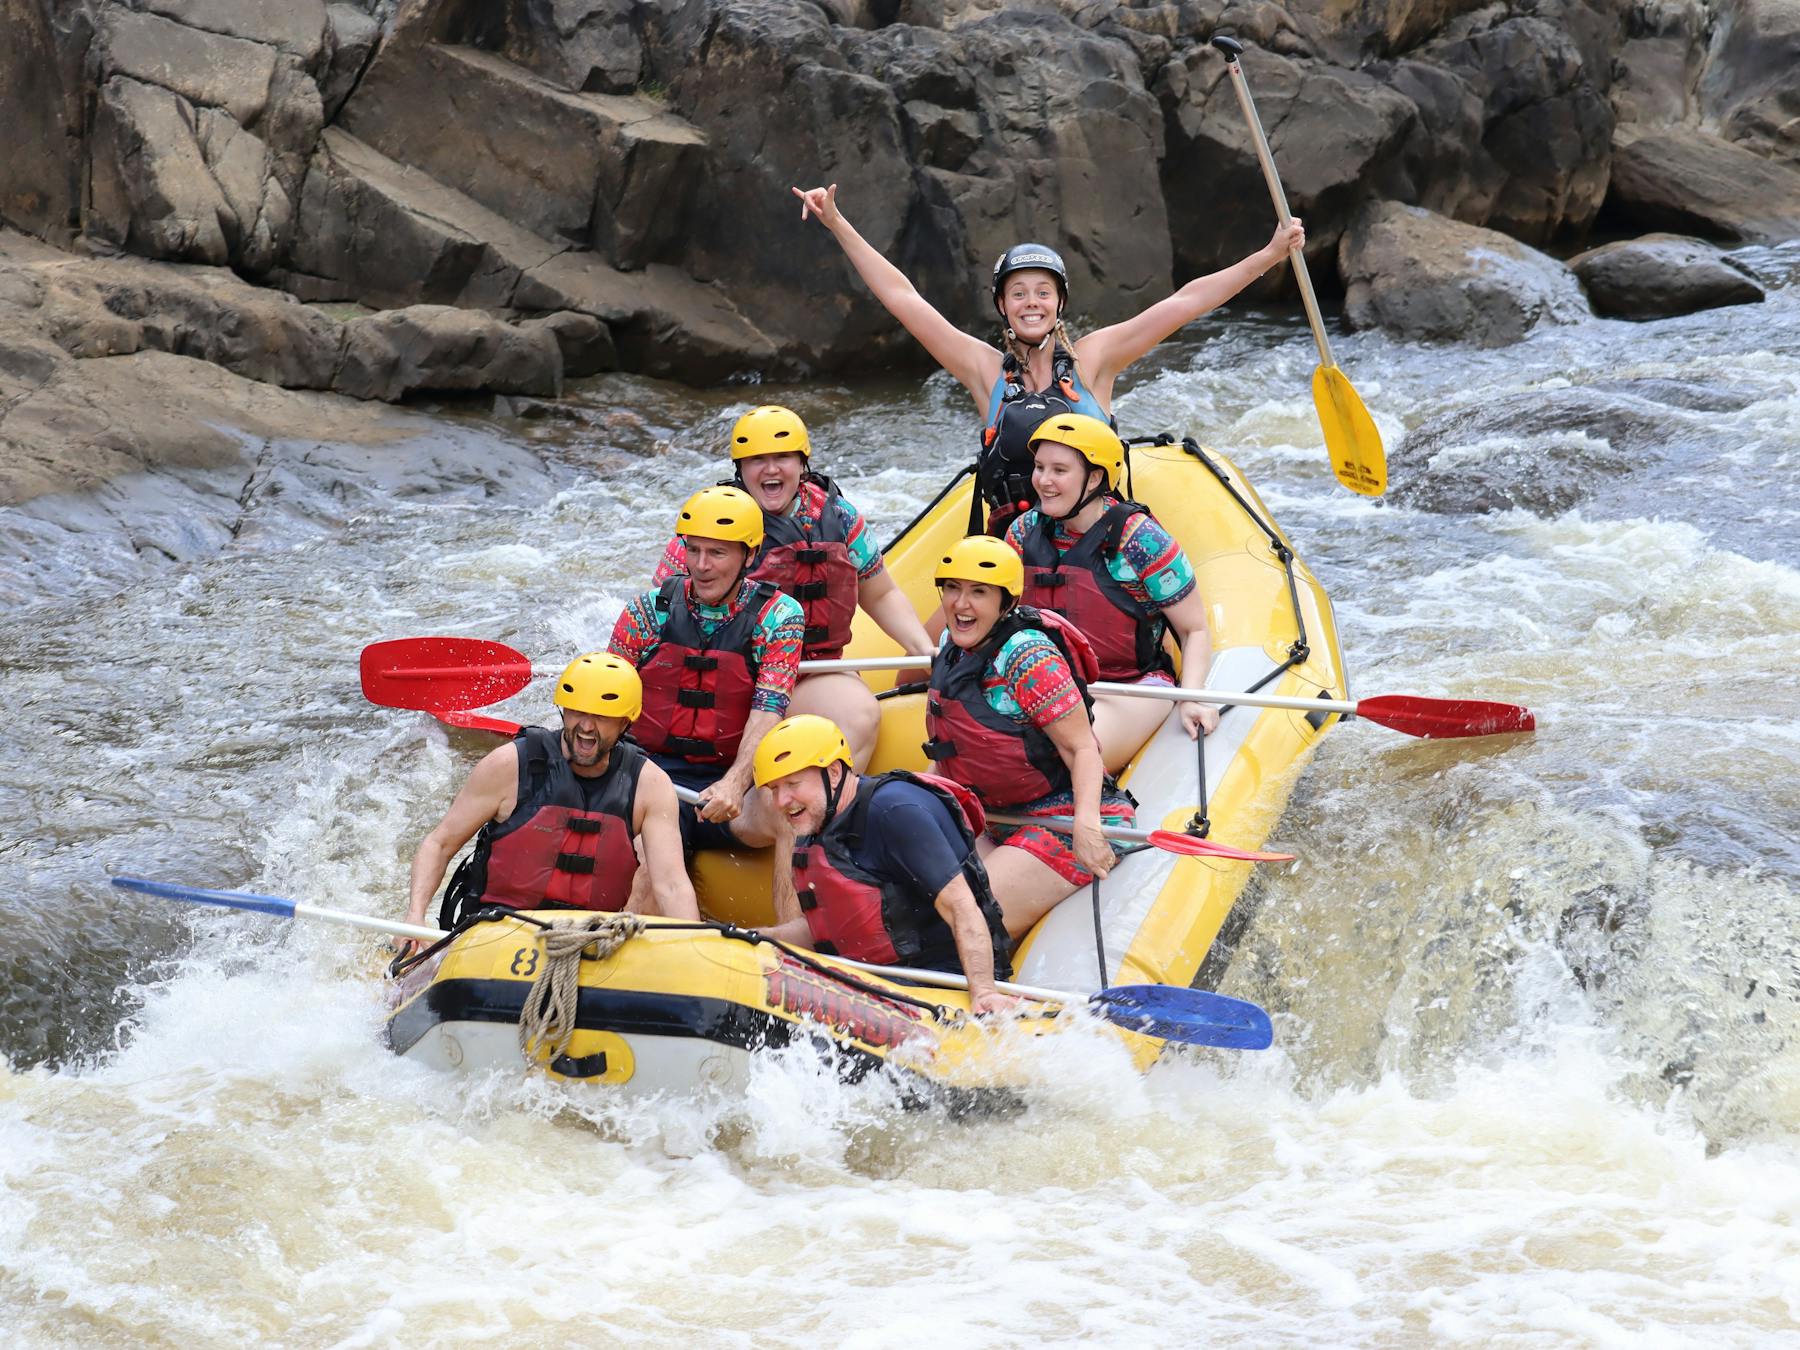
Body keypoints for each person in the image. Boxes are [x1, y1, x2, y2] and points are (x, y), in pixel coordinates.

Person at [791, 182, 1306, 532]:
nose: (1031, 303)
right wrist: (838, 224)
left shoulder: (1095, 360)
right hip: (1013, 551)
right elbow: (903, 299)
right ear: (1002, 305)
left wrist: (1269, 255)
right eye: (1018, 293)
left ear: (1059, 302)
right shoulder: (983, 370)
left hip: (1093, 542)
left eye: (1042, 292)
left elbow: (1184, 303)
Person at [651, 405, 935, 768]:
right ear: (740, 470)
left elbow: (881, 593)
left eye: (783, 457)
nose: (771, 469)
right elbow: (659, 611)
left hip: (810, 671)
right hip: (734, 675)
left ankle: (826, 815)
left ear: (802, 464)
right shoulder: (710, 523)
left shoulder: (840, 518)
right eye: (757, 460)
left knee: (859, 714)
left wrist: (923, 650)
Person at [400, 653, 697, 951]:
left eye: (602, 716)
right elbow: (439, 844)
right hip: (497, 933)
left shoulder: (650, 785)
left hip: (589, 940)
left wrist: (697, 950)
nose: (587, 727)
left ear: (624, 722)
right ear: (563, 711)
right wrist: (415, 915)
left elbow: (671, 886)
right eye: (577, 712)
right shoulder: (510, 765)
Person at [922, 536, 1136, 938]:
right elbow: (949, 744)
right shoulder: (952, 644)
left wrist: (1086, 826)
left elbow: (1082, 747)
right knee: (909, 899)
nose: (960, 605)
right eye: (952, 588)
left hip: (1060, 818)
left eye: (978, 593)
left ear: (1006, 603)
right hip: (996, 817)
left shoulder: (1027, 657)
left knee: (969, 920)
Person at [751, 714, 1015, 1015]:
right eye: (773, 789)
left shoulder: (894, 811)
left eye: (792, 784)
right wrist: (754, 941)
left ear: (834, 773)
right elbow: (831, 930)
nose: (782, 800)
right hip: (878, 981)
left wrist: (983, 991)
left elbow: (961, 907)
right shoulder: (819, 823)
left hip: (940, 981)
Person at [1006, 412, 1218, 772]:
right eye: (1039, 467)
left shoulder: (1141, 541)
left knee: (1067, 751)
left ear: (1095, 477)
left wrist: (1193, 697)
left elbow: (1193, 629)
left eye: (1059, 470)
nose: (1043, 481)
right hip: (1044, 681)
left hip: (1127, 686)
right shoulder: (1023, 531)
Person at [607, 486, 803, 852]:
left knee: (790, 813)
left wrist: (734, 783)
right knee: (653, 855)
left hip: (732, 782)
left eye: (717, 552)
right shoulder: (646, 612)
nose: (701, 565)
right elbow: (607, 706)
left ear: (750, 555)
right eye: (693, 549)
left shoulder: (779, 616)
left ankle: (794, 913)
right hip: (654, 776)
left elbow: (768, 710)